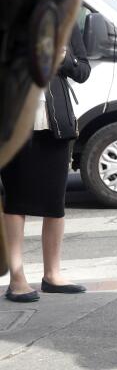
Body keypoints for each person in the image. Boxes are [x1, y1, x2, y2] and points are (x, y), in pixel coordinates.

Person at [2, 18, 91, 302]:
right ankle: (17, 279)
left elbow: (83, 71)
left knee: (55, 202)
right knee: (16, 202)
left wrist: (64, 58)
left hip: (55, 122)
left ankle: (52, 275)